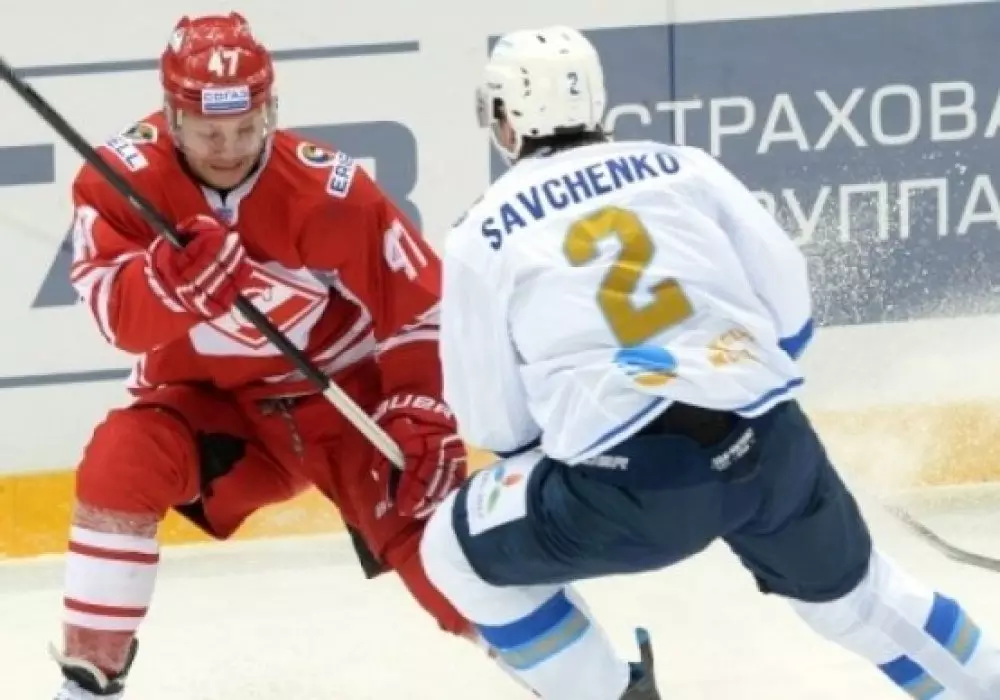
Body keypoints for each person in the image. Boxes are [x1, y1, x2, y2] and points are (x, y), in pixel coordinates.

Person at [419, 25, 1000, 700]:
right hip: (768, 442)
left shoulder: (481, 233)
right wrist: (732, 397)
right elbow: (789, 311)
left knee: (450, 552)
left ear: (506, 115)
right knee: (860, 601)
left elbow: (496, 425)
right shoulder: (682, 166)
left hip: (632, 491)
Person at [54, 12, 469, 699]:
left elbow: (418, 304)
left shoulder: (330, 192)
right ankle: (85, 685)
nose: (229, 148)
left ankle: (592, 680)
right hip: (217, 414)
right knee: (118, 463)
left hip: (343, 405)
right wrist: (166, 285)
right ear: (172, 116)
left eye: (246, 128)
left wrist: (419, 400)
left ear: (270, 110)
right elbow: (115, 318)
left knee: (445, 560)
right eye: (208, 132)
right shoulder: (118, 181)